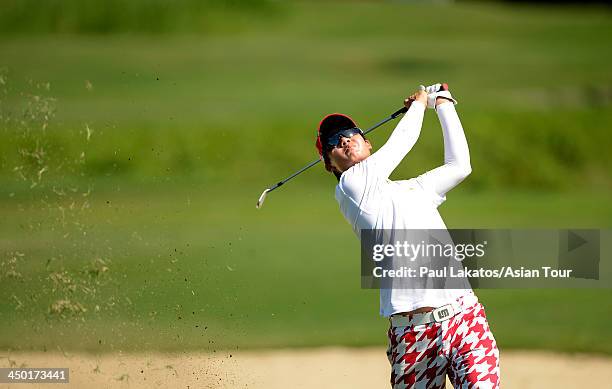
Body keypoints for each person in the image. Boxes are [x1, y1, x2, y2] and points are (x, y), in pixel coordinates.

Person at [315, 84, 500, 388]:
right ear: (328, 164)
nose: (346, 141)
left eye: (351, 133)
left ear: (367, 141)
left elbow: (459, 166)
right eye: (335, 142)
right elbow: (401, 143)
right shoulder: (350, 188)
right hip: (414, 333)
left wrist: (443, 102)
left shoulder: (415, 189)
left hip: (464, 316)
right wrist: (420, 103)